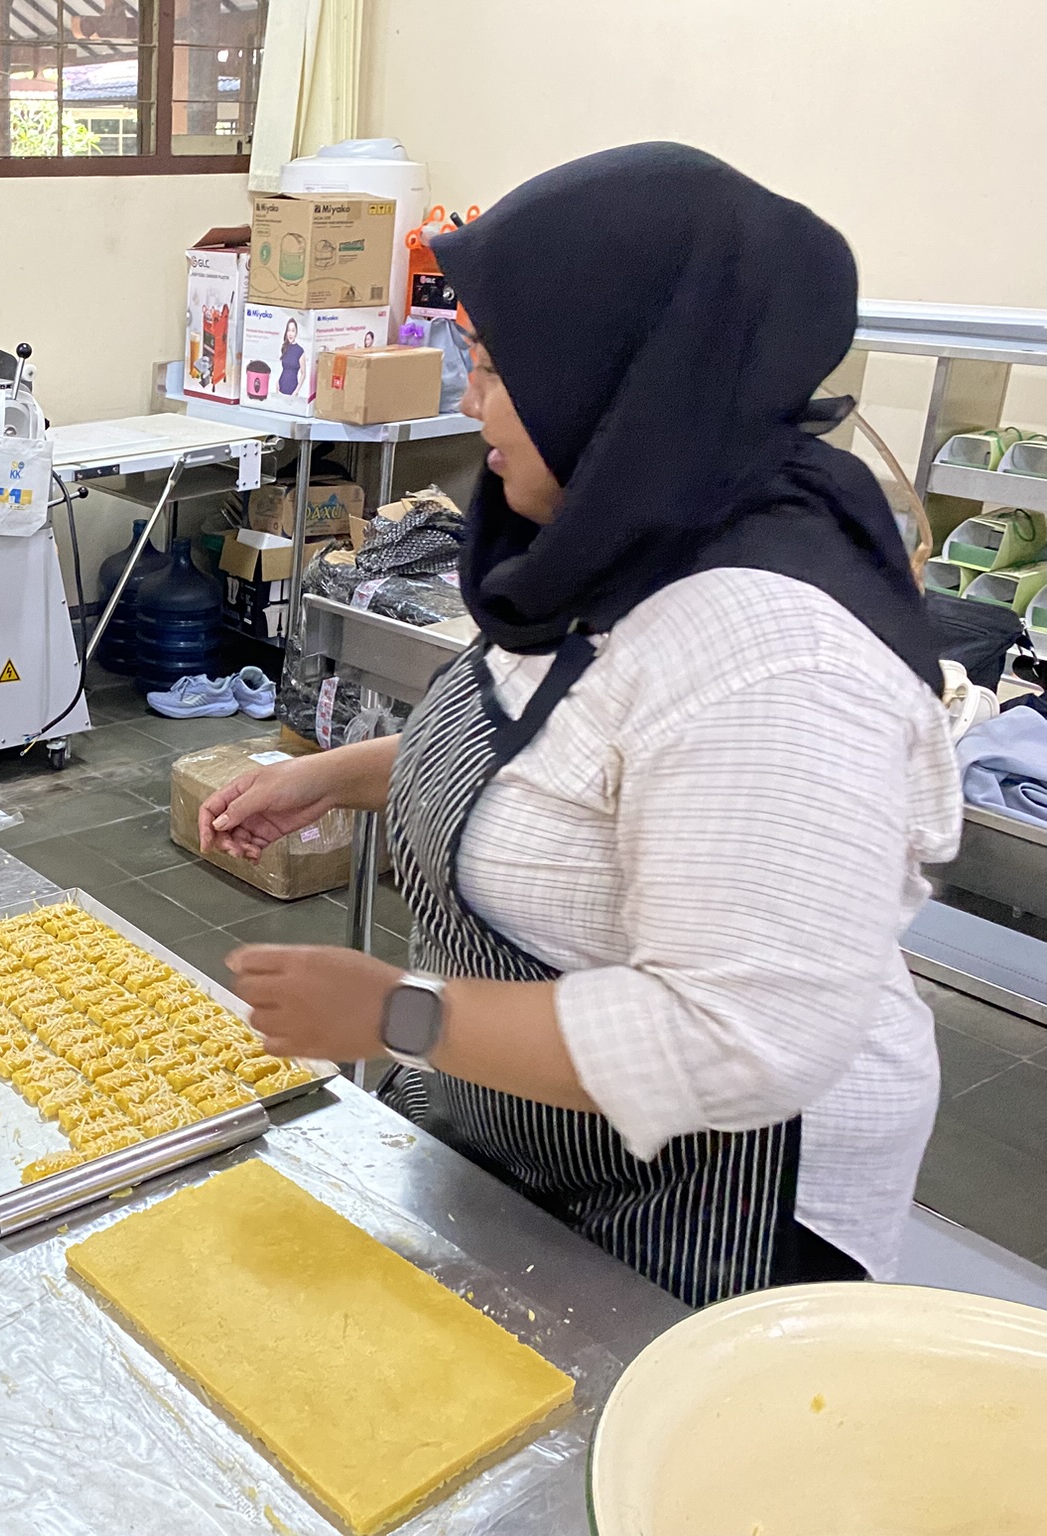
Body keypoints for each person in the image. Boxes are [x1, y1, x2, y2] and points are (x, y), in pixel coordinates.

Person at [202, 143, 962, 1309]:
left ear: (621, 382)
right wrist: (343, 777)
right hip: (541, 1136)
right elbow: (572, 767)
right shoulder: (621, 532)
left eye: (500, 372)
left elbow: (733, 1036)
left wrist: (398, 1012)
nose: (469, 404)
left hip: (713, 1191)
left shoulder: (773, 657)